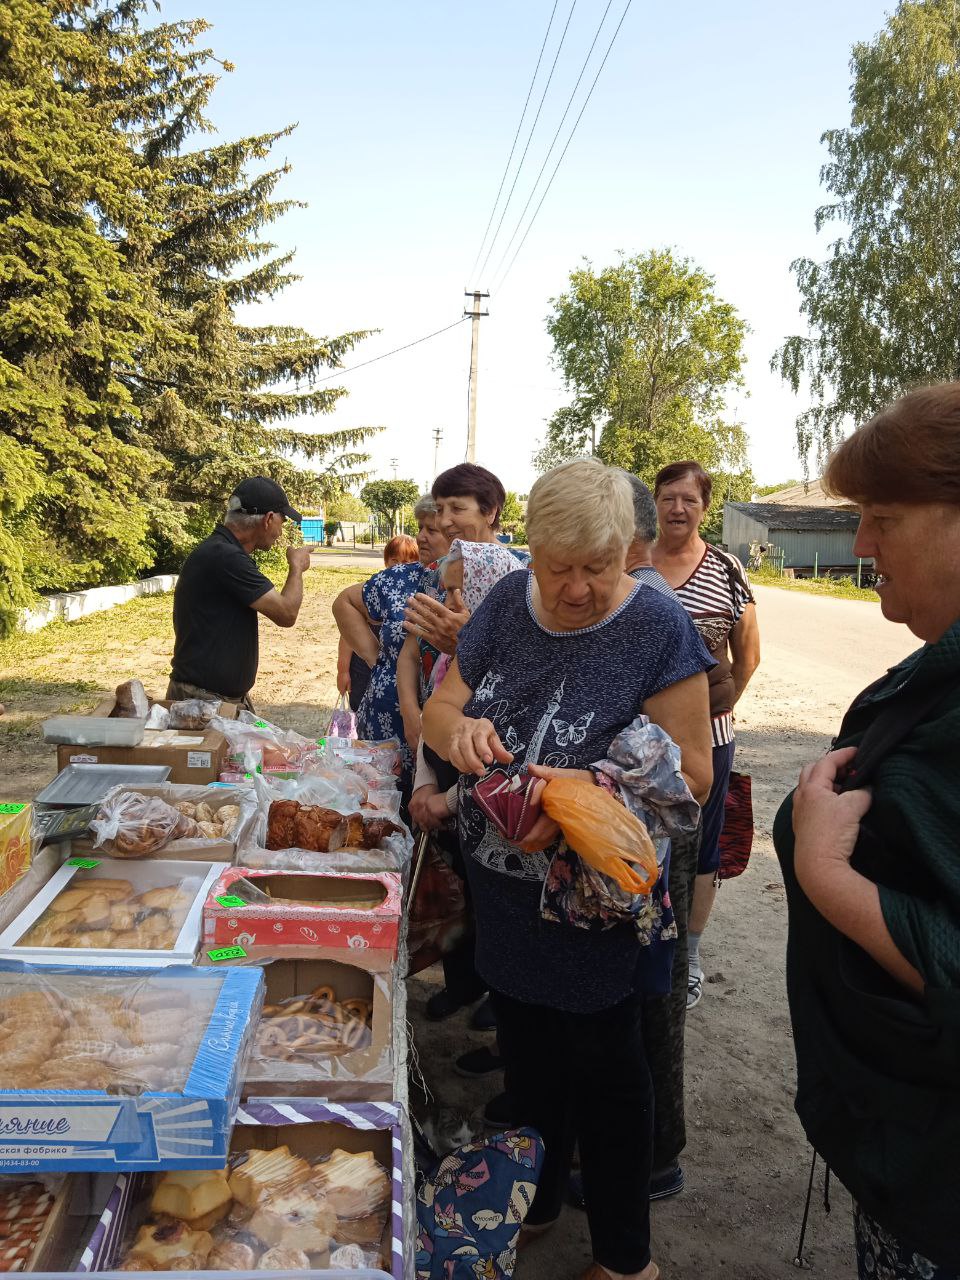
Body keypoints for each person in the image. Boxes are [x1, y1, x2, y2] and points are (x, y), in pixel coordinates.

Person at [423, 459, 714, 1280]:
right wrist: (459, 738)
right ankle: (537, 1200)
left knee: (609, 1075)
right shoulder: (509, 602)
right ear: (531, 549)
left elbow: (692, 770)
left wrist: (593, 784)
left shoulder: (658, 628)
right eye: (559, 569)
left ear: (629, 549)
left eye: (598, 568)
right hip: (505, 895)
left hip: (590, 909)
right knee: (530, 1060)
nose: (577, 588)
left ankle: (627, 1261)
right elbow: (447, 705)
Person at [774, 384, 960, 1280]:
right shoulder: (938, 665)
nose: (859, 546)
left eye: (882, 517)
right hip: (906, 1151)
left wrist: (828, 876)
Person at [650, 461, 761, 1008]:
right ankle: (641, 943)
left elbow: (749, 654)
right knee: (641, 839)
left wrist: (713, 712)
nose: (677, 509)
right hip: (636, 739)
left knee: (700, 846)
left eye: (689, 500)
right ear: (654, 502)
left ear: (704, 506)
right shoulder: (634, 561)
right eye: (668, 498)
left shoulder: (725, 568)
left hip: (710, 737)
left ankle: (689, 954)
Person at [168, 476, 311, 710]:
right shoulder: (225, 557)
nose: (280, 532)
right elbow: (286, 613)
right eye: (282, 522)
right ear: (268, 519)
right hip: (202, 702)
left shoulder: (222, 551)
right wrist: (296, 567)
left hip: (211, 698)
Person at [331, 498, 449, 777]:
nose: (420, 536)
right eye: (419, 527)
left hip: (440, 724)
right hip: (385, 719)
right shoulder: (398, 578)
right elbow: (343, 603)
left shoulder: (478, 579)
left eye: (431, 530)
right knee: (381, 803)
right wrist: (377, 660)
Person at [336, 534, 419, 713]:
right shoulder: (375, 592)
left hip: (398, 676)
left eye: (406, 562)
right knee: (360, 706)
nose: (399, 567)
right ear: (386, 561)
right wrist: (343, 671)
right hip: (363, 668)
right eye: (394, 561)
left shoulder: (418, 597)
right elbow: (346, 637)